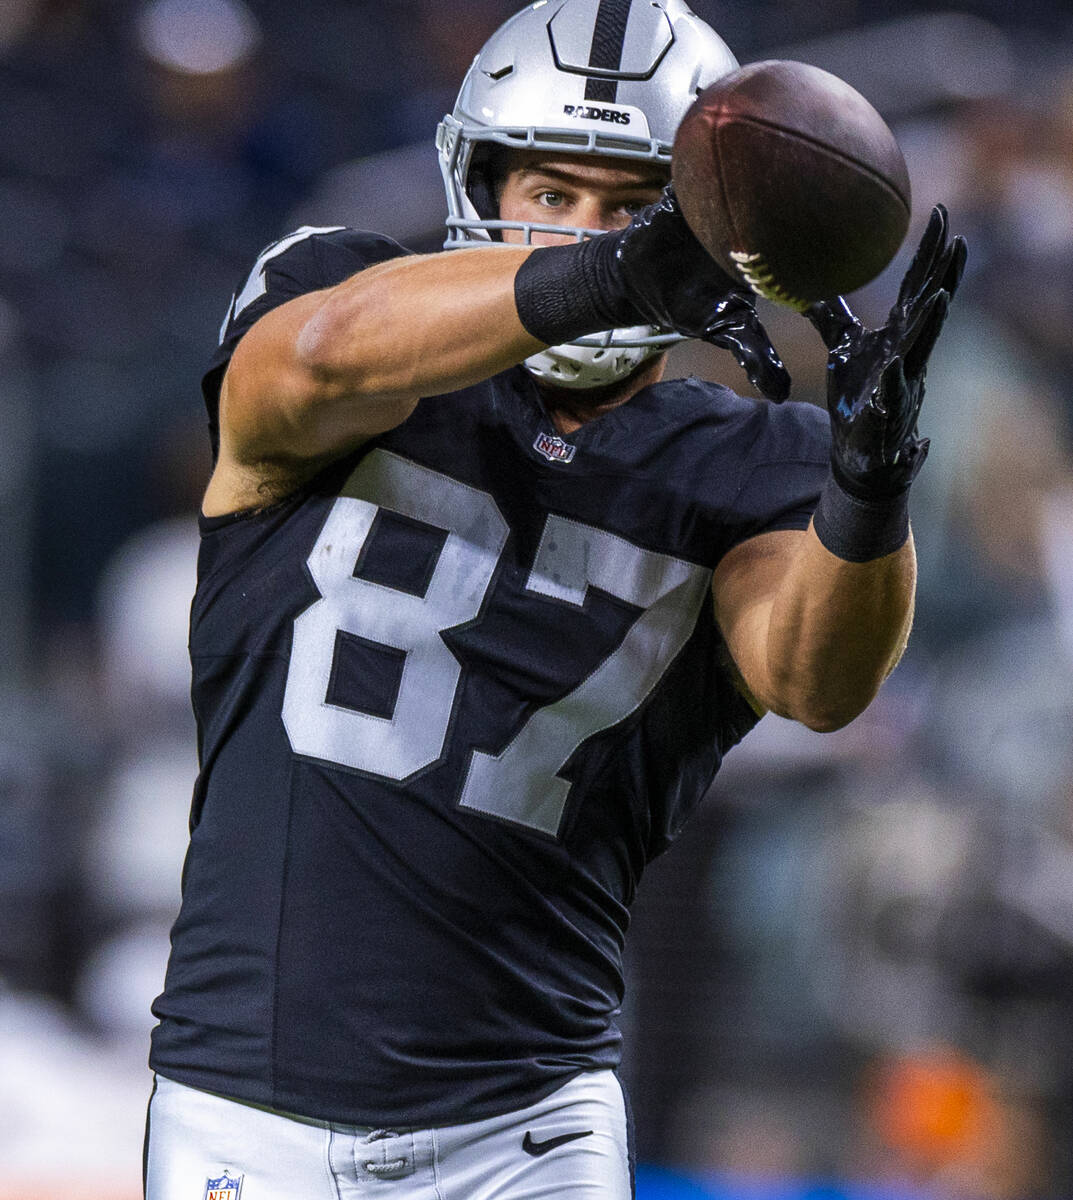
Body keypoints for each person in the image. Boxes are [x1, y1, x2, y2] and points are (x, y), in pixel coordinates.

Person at [144, 1, 966, 1197]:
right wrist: (615, 269)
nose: (586, 229)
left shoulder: (745, 459)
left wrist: (868, 489)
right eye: (551, 193)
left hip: (523, 1124)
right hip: (243, 1107)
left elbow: (817, 682)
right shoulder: (338, 294)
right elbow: (310, 365)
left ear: (706, 229)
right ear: (476, 179)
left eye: (632, 204)